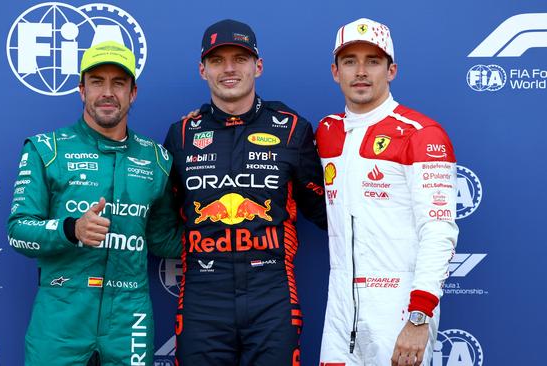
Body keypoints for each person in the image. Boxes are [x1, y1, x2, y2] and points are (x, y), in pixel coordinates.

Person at [163, 19, 327, 366]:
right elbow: (163, 216)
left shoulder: (293, 129)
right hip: (202, 298)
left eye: (239, 58)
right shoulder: (181, 134)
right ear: (202, 69)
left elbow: (326, 211)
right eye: (217, 60)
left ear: (258, 66)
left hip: (272, 295)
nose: (229, 69)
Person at [7, 41, 182, 366]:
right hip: (62, 313)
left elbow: (162, 239)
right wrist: (71, 229)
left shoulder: (156, 158)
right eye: (97, 81)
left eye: (118, 83)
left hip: (130, 316)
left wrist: (220, 235)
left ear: (133, 93)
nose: (107, 92)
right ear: (81, 89)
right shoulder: (46, 149)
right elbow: (18, 230)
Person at [315, 18, 459, 366]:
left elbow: (439, 230)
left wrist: (419, 316)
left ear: (391, 70)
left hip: (398, 306)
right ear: (335, 71)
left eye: (373, 61)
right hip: (340, 305)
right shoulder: (327, 131)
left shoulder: (422, 133)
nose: (361, 72)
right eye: (350, 61)